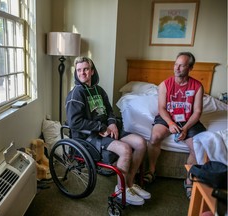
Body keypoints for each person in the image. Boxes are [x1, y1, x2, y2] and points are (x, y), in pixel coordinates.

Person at [65, 56, 151, 205]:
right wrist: (100, 127)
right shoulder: (76, 94)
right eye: (79, 70)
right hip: (88, 136)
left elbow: (110, 111)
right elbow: (74, 122)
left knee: (141, 143)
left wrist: (111, 124)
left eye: (85, 69)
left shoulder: (99, 90)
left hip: (107, 130)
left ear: (92, 71)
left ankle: (129, 184)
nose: (82, 73)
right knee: (125, 149)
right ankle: (121, 190)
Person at [144, 52, 206, 199]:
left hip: (188, 120)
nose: (177, 68)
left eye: (182, 65)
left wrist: (184, 128)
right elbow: (162, 108)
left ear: (190, 68)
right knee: (154, 137)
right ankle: (151, 171)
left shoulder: (197, 86)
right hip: (168, 118)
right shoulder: (165, 85)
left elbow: (197, 112)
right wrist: (171, 123)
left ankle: (189, 179)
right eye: (175, 64)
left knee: (198, 147)